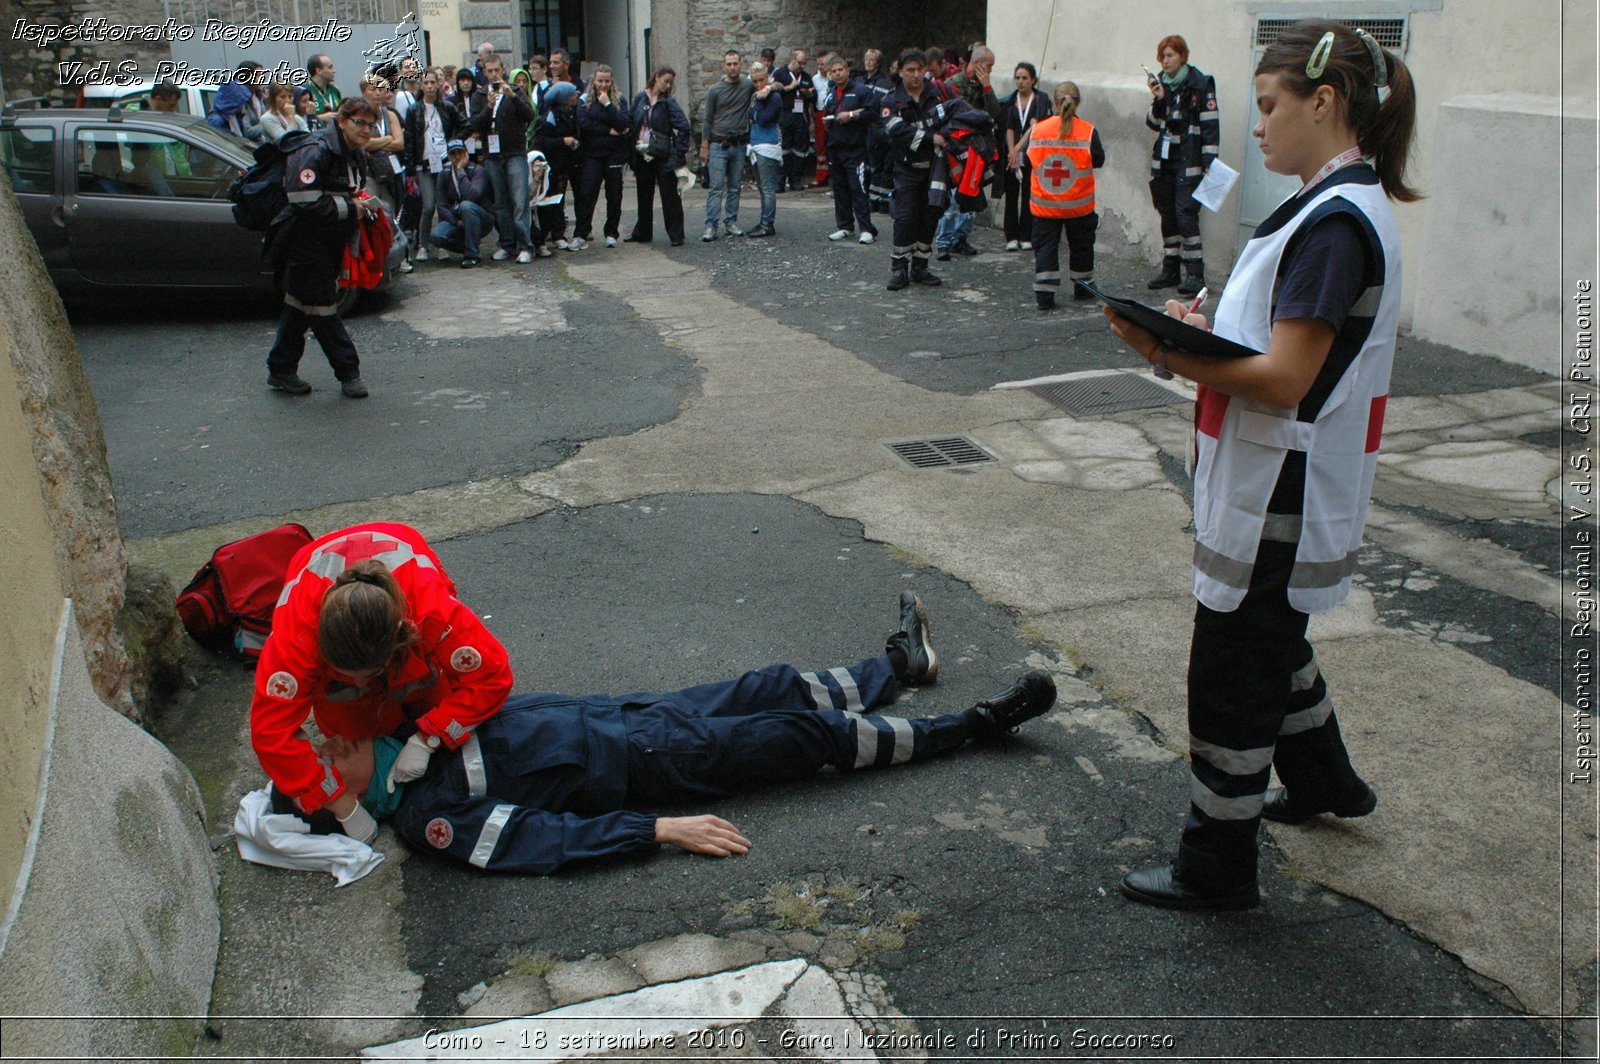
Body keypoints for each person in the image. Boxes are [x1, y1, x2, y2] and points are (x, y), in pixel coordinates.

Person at [1106, 19, 1418, 910]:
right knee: (1272, 642)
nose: (1257, 124)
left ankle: (1216, 869)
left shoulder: (1333, 221)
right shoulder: (1332, 206)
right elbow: (1281, 349)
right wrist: (1202, 334)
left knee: (1234, 668)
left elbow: (1285, 377)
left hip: (1283, 483)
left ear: (1326, 103)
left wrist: (1165, 351)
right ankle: (1327, 783)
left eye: (1272, 104)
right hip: (1288, 478)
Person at [306, 593, 1059, 874]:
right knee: (807, 737)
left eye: (321, 748)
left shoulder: (408, 730)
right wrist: (658, 829)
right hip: (648, 763)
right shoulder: (428, 816)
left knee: (773, 686)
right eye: (321, 768)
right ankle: (972, 727)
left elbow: (482, 678)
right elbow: (544, 840)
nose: (326, 747)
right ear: (343, 801)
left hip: (633, 712)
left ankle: (902, 661)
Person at [253, 523, 514, 846]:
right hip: (325, 596)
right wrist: (340, 803)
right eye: (346, 675)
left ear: (397, 644)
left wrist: (429, 737)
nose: (361, 684)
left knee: (433, 703)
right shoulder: (296, 642)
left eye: (367, 674)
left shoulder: (431, 613)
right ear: (320, 654)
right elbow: (270, 732)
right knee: (363, 735)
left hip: (402, 575)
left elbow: (492, 676)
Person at [263, 97, 378, 399]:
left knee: (299, 304)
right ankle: (349, 372)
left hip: (326, 239)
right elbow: (303, 201)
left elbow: (344, 193)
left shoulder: (352, 152)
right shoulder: (316, 149)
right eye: (360, 122)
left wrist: (358, 207)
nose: (366, 129)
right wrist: (353, 209)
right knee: (323, 306)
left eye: (371, 124)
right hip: (303, 240)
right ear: (341, 120)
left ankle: (281, 369)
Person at [1144, 34, 1219, 296]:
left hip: (1190, 161)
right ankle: (1170, 269)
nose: (1164, 61)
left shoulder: (1200, 84)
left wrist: (1210, 162)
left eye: (1170, 55)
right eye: (1162, 56)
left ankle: (1195, 274)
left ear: (1183, 56)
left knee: (1186, 214)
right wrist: (1159, 99)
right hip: (1165, 162)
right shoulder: (1161, 84)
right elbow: (1153, 123)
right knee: (1168, 214)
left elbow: (1210, 125)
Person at [1024, 80, 1103, 309]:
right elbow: (1098, 159)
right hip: (1078, 204)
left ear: (1054, 102)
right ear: (1077, 103)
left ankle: (1045, 295)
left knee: (1046, 246)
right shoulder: (1088, 131)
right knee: (1081, 246)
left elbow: (1030, 160)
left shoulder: (1038, 129)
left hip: (1045, 204)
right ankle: (1083, 287)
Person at [880, 50, 946, 291]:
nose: (916, 74)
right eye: (910, 70)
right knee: (905, 218)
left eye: (920, 69)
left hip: (935, 170)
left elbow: (948, 123)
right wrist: (931, 139)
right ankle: (899, 268)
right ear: (901, 72)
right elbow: (896, 131)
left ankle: (921, 266)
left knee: (930, 216)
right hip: (906, 169)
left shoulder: (936, 94)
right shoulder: (890, 100)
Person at [934, 46, 1003, 261]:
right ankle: (944, 241)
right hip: (956, 148)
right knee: (954, 197)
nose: (990, 70)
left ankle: (961, 238)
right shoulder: (952, 85)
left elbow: (994, 114)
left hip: (977, 150)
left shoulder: (983, 87)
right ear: (978, 63)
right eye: (989, 66)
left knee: (972, 194)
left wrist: (987, 88)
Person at [471, 55, 537, 262]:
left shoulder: (515, 91)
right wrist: (488, 107)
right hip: (492, 155)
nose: (493, 74)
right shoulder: (480, 95)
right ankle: (507, 244)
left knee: (519, 201)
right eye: (489, 71)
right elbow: (474, 124)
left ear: (503, 70)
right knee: (501, 203)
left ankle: (525, 246)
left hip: (515, 153)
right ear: (484, 72)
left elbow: (529, 116)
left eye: (496, 70)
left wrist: (513, 97)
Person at [626, 66, 692, 246]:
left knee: (669, 196)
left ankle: (677, 235)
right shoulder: (640, 98)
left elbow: (684, 127)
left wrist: (678, 151)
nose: (668, 86)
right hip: (642, 153)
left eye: (670, 83)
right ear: (656, 78)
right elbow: (631, 122)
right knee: (644, 194)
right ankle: (643, 231)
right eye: (665, 81)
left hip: (663, 155)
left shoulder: (668, 102)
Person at [403, 68, 463, 262]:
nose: (429, 86)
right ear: (421, 85)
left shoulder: (446, 107)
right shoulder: (414, 110)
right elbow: (410, 139)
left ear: (438, 84)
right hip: (424, 164)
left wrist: (454, 144)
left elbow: (465, 125)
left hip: (444, 162)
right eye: (426, 83)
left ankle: (442, 244)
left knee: (443, 205)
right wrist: (410, 167)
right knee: (428, 206)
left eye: (432, 83)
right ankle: (423, 244)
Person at [572, 65, 632, 249]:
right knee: (588, 194)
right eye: (600, 81)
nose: (603, 85)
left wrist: (607, 105)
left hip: (614, 155)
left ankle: (611, 232)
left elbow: (623, 124)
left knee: (614, 194)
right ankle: (581, 233)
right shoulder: (584, 100)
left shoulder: (619, 100)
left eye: (607, 81)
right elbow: (584, 125)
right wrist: (608, 130)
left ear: (611, 81)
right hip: (592, 154)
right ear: (594, 81)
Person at [700, 50, 755, 241]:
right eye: (729, 64)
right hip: (719, 144)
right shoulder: (715, 90)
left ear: (741, 64)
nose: (732, 67)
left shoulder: (748, 85)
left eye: (735, 64)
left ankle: (730, 222)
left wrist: (769, 89)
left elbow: (772, 83)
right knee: (716, 187)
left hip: (739, 144)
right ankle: (711, 225)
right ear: (724, 65)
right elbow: (707, 119)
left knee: (735, 187)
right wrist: (704, 146)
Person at [821, 55, 876, 244]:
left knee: (858, 189)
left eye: (840, 70)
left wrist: (852, 115)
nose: (837, 74)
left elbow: (872, 112)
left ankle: (866, 229)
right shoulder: (831, 93)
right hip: (835, 147)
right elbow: (829, 112)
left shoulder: (861, 91)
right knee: (840, 189)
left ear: (847, 70)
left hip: (855, 149)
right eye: (833, 71)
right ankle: (845, 226)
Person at [1001, 62, 1049, 251]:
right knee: (1011, 193)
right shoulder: (1010, 101)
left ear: (1033, 80)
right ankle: (1011, 235)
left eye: (1024, 78)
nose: (1020, 82)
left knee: (1029, 192)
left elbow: (1036, 127)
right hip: (1013, 153)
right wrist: (1012, 151)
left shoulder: (1040, 100)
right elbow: (1008, 127)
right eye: (1018, 77)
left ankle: (1026, 234)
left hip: (1032, 153)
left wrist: (1018, 149)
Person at [531, 81, 581, 249]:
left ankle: (558, 233)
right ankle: (546, 235)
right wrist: (563, 141)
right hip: (551, 165)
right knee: (549, 200)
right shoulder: (549, 117)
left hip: (563, 164)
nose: (576, 96)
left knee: (559, 199)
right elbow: (540, 141)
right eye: (573, 94)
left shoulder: (570, 113)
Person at [432, 138, 495, 267]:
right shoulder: (444, 174)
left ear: (466, 153)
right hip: (457, 219)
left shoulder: (478, 170)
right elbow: (441, 205)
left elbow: (473, 195)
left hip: (481, 218)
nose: (457, 157)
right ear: (449, 156)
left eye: (460, 152)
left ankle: (472, 255)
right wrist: (456, 222)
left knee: (466, 206)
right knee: (436, 236)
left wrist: (461, 172)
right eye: (453, 154)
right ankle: (469, 246)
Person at [744, 62, 783, 238]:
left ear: (767, 78)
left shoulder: (773, 97)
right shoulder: (756, 94)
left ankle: (768, 224)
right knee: (762, 187)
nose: (759, 84)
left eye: (762, 80)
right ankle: (763, 220)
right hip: (755, 143)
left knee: (767, 188)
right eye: (755, 81)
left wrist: (754, 111)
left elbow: (765, 118)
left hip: (768, 144)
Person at [359, 73, 406, 216]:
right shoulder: (359, 115)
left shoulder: (390, 115)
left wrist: (374, 144)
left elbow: (399, 144)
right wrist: (387, 138)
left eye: (380, 89)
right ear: (363, 91)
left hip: (389, 170)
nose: (377, 93)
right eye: (372, 89)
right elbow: (363, 144)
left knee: (389, 210)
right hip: (369, 172)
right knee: (372, 209)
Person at [772, 49, 814, 192]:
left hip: (800, 116)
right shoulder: (779, 74)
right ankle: (780, 181)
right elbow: (772, 92)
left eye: (804, 63)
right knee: (783, 148)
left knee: (800, 149)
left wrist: (809, 94)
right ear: (792, 60)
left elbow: (815, 98)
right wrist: (789, 87)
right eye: (800, 63)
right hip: (784, 115)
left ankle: (796, 180)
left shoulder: (807, 77)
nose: (802, 66)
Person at [208, 61, 267, 144]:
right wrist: (267, 124)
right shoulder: (218, 120)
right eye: (258, 75)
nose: (262, 78)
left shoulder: (258, 96)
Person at [305, 54, 342, 122]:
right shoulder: (305, 91)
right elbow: (298, 120)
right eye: (330, 67)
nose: (334, 71)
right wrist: (320, 118)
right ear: (319, 71)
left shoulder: (335, 90)